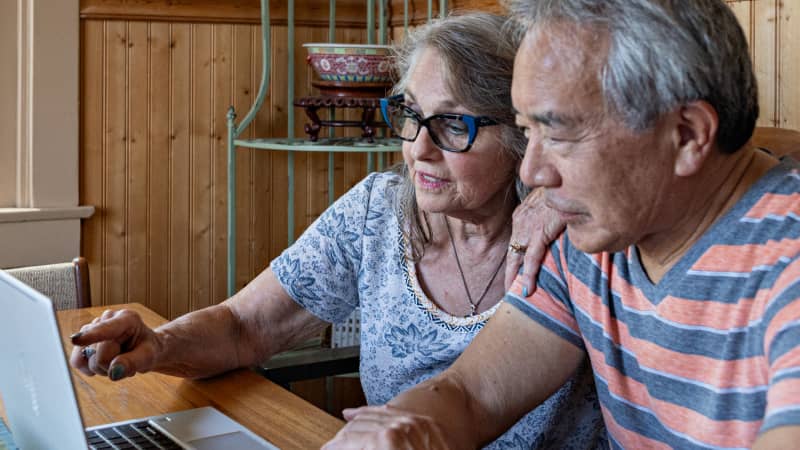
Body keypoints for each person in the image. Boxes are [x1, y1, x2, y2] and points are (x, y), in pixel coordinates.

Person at [69, 13, 606, 449]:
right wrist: (160, 345)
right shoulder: (376, 211)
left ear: (523, 135)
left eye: (452, 125)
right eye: (410, 115)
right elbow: (245, 326)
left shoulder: (567, 232)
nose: (418, 148)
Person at [321, 0, 800, 449]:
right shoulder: (595, 233)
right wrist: (404, 431)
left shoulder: (786, 257)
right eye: (528, 131)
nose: (531, 172)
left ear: (687, 134)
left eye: (560, 132)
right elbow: (474, 394)